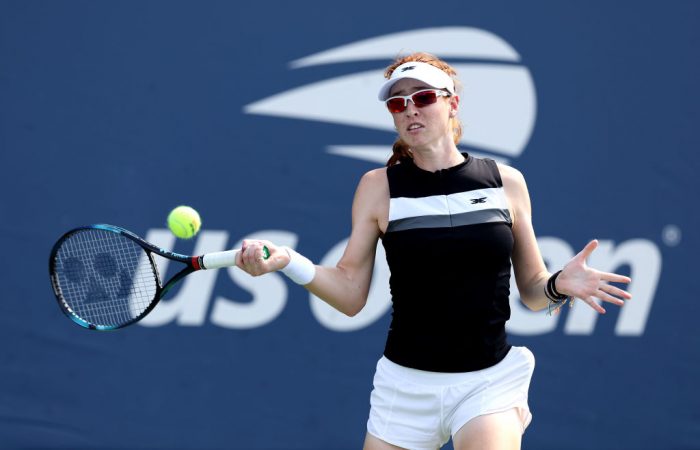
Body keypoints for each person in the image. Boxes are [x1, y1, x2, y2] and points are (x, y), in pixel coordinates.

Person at [236, 52, 632, 450]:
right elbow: (350, 294)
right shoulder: (378, 187)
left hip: (487, 382)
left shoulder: (505, 182)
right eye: (397, 103)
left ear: (452, 103)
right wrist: (289, 262)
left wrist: (559, 283)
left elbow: (532, 289)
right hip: (405, 386)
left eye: (423, 97)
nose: (410, 110)